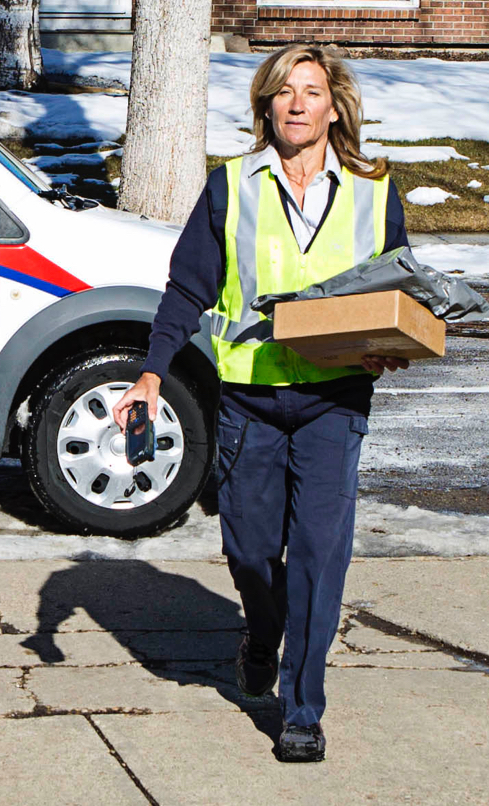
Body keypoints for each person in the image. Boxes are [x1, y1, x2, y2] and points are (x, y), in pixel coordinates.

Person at [112, 43, 410, 763]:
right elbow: (189, 287)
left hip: (334, 400)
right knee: (249, 552)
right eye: (285, 92)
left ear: (334, 106)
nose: (298, 104)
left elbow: (398, 292)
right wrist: (151, 374)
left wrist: (386, 345)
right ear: (266, 106)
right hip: (250, 399)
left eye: (312, 91)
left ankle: (302, 709)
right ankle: (261, 629)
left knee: (317, 556)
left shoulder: (373, 189)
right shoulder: (232, 186)